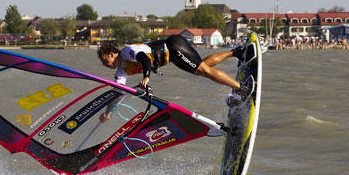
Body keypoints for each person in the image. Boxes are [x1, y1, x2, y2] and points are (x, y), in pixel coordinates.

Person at [97, 35, 253, 121]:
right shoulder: (121, 71)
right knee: (200, 70)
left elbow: (144, 59)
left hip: (174, 47)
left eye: (105, 61)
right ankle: (236, 52)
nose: (105, 65)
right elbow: (118, 93)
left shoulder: (127, 52)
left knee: (203, 70)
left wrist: (146, 77)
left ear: (111, 54)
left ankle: (240, 88)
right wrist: (108, 113)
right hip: (172, 56)